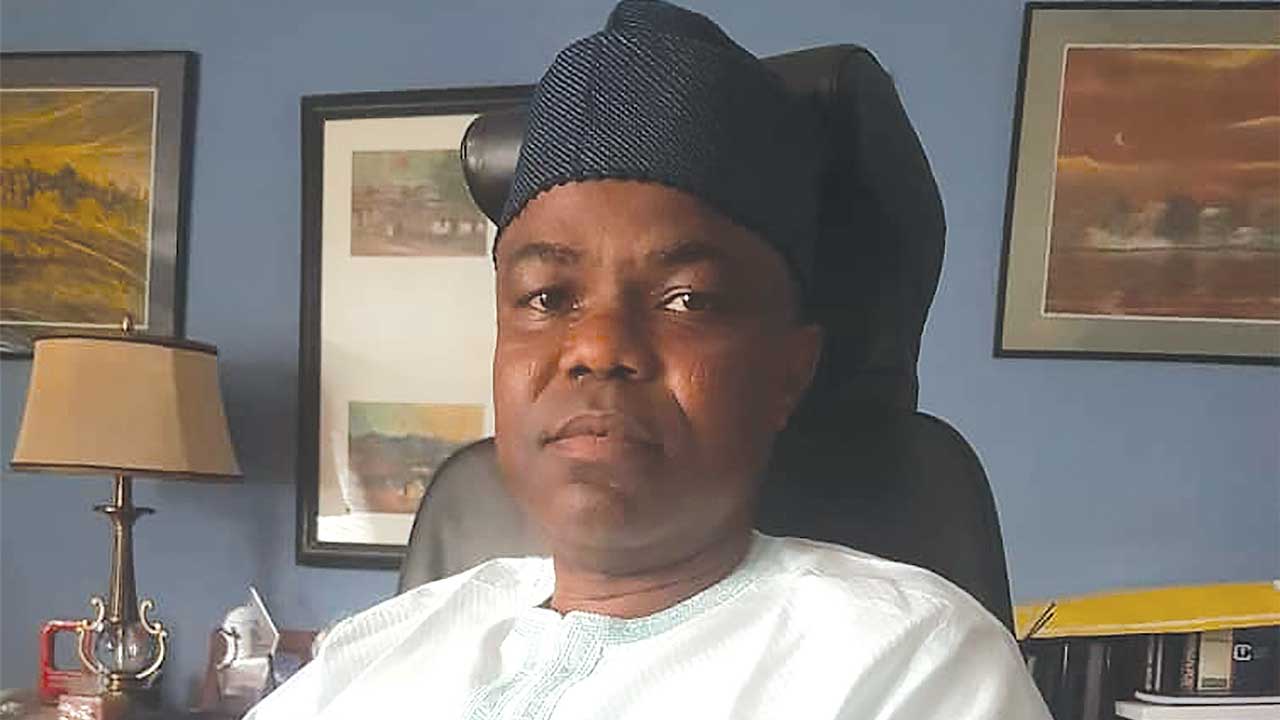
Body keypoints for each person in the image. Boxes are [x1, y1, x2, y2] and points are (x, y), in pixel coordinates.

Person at [248, 1, 1052, 717]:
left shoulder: (911, 663)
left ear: (790, 370)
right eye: (547, 297)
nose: (598, 347)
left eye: (687, 299)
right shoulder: (380, 650)